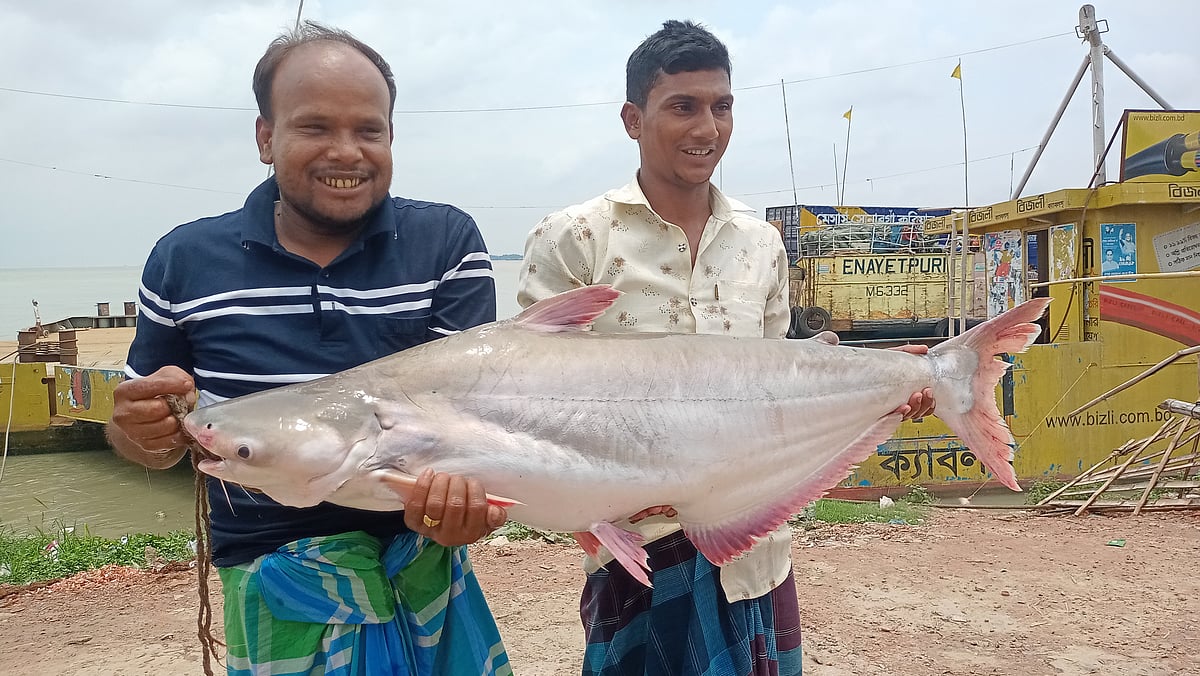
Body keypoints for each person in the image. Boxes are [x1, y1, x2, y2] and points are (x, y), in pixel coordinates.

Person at [518, 20, 934, 676]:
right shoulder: (574, 238)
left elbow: (776, 383)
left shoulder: (760, 242)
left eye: (722, 106)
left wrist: (872, 393)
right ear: (633, 118)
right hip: (640, 553)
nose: (707, 129)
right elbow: (527, 402)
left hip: (755, 551)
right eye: (682, 107)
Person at [106, 22, 512, 675]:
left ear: (390, 136)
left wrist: (464, 511)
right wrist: (141, 430)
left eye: (368, 129)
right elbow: (146, 444)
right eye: (315, 127)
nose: (346, 152)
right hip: (276, 590)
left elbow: (475, 430)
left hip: (425, 573)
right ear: (266, 137)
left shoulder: (447, 244)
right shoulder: (184, 261)